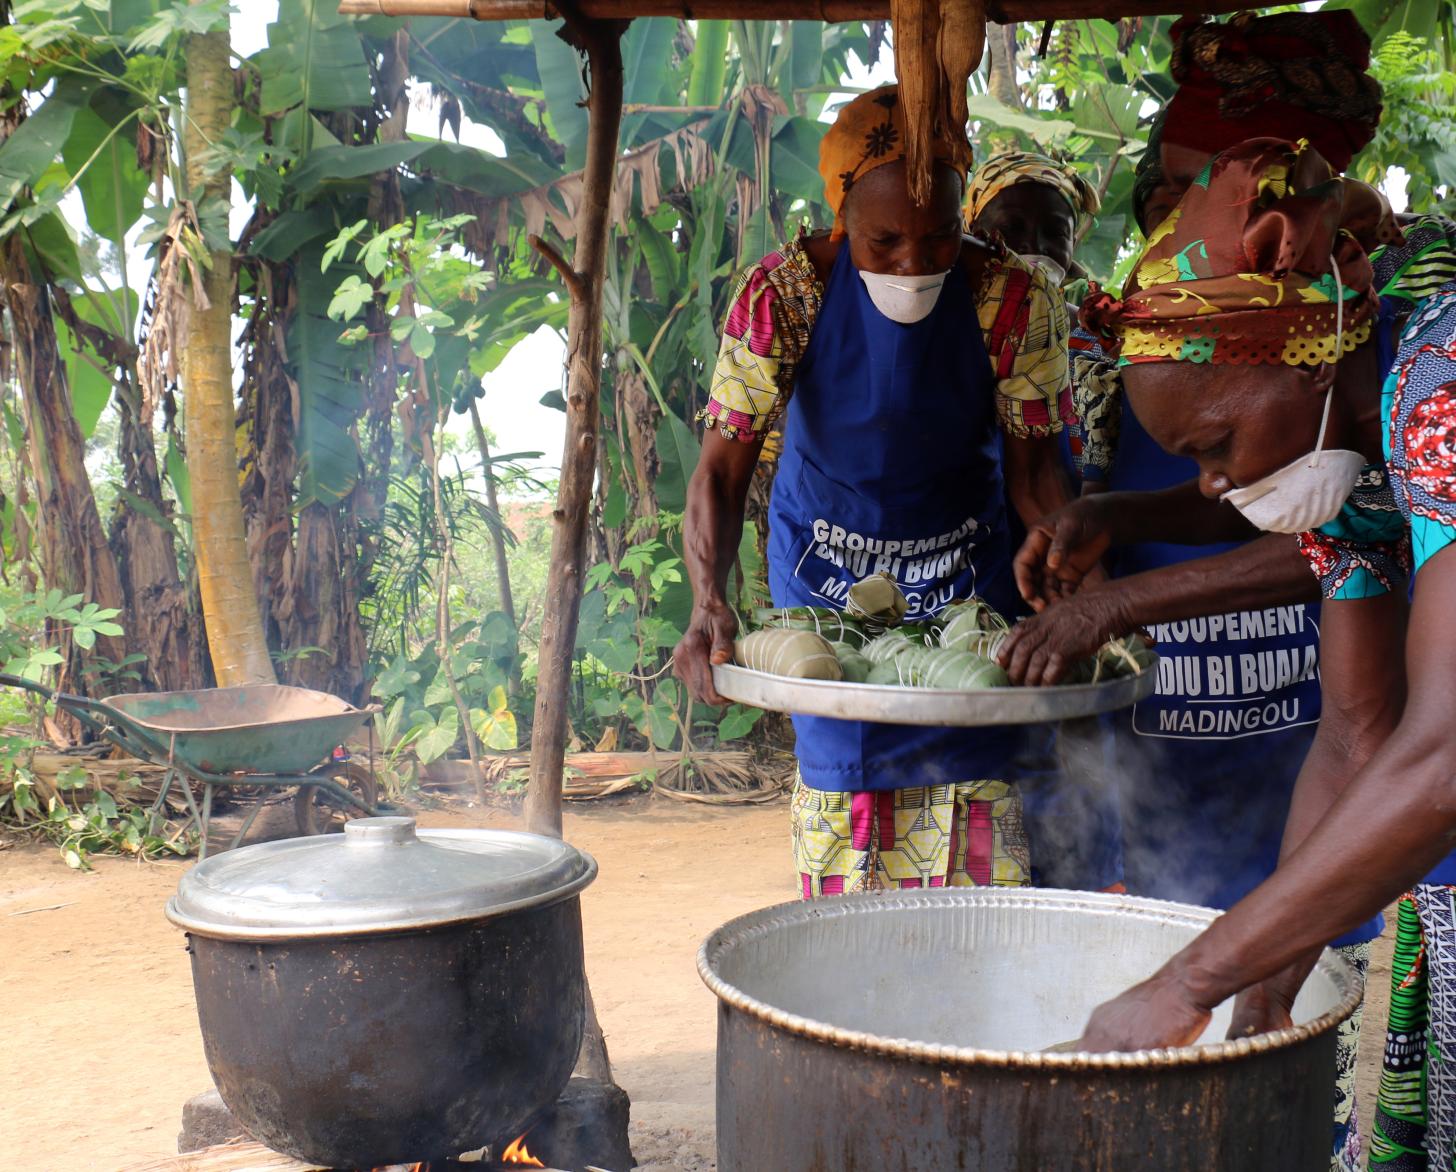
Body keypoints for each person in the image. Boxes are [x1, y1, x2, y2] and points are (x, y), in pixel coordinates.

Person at [1019, 137, 1456, 1166]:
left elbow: (1441, 757)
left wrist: (1183, 984)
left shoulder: (1438, 381)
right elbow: (1352, 736)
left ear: (1302, 352)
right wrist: (1268, 983)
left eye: (1213, 446)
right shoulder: (1348, 462)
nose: (1210, 489)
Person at [674, 85, 1073, 897]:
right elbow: (720, 470)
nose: (913, 263)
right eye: (883, 239)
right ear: (841, 214)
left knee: (975, 760)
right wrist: (707, 599)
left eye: (939, 237)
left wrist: (1080, 588)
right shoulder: (782, 296)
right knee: (847, 774)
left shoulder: (1015, 299)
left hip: (967, 583)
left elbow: (1035, 475)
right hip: (826, 582)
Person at [962, 151, 1125, 894]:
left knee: (1086, 723)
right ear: (974, 231)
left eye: (1051, 227)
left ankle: (1087, 884)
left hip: (1089, 541)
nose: (1032, 242)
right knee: (1013, 719)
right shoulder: (963, 319)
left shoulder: (1112, 319)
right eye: (1008, 226)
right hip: (1000, 552)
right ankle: (1022, 884)